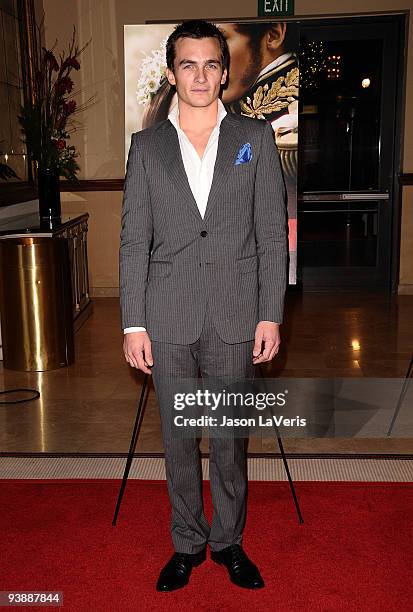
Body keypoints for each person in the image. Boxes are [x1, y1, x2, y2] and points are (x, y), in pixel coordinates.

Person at [120, 19, 288, 592]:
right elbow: (133, 238)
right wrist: (133, 322)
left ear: (223, 73)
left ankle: (229, 542)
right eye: (188, 64)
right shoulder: (146, 148)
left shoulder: (253, 139)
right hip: (167, 317)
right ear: (172, 73)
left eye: (211, 64)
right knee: (177, 439)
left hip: (237, 313)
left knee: (229, 441)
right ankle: (187, 542)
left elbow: (270, 232)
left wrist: (271, 312)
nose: (200, 75)